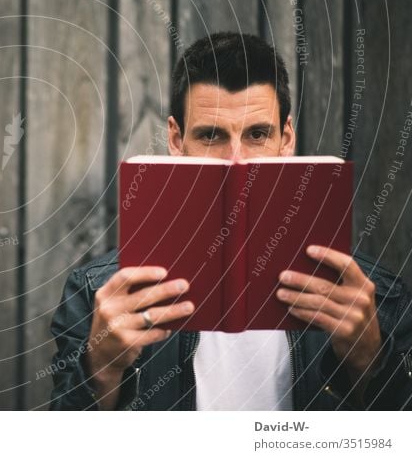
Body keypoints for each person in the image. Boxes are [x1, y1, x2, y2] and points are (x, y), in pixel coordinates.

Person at [49, 32, 412, 410]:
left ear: (286, 139)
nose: (236, 161)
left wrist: (370, 359)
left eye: (258, 134)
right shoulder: (98, 294)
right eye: (210, 135)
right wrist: (102, 369)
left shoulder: (378, 298)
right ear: (176, 140)